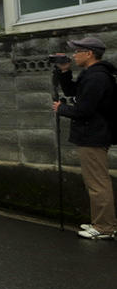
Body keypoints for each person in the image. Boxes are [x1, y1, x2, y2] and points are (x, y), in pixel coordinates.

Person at [52, 37, 116, 240]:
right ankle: (102, 222)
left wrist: (61, 108)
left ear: (89, 53)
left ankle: (105, 227)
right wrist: (64, 71)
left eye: (77, 51)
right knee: (96, 181)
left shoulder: (97, 77)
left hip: (93, 135)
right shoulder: (92, 74)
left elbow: (84, 110)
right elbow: (73, 91)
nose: (74, 55)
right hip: (92, 134)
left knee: (97, 183)